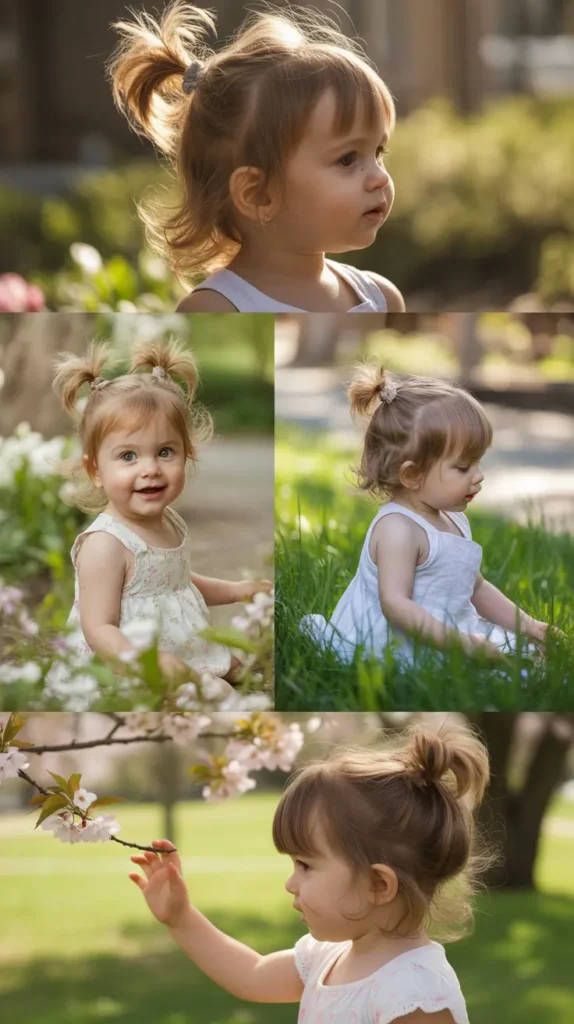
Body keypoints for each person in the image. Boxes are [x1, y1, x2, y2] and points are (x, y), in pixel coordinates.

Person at [129, 723, 490, 1023]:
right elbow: (252, 975)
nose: (290, 884)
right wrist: (181, 918)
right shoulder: (327, 957)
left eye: (305, 865)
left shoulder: (414, 995)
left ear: (378, 885)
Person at [108, 2, 405, 314]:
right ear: (258, 193)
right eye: (347, 159)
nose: (380, 177)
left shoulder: (383, 299)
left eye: (378, 152)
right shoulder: (215, 309)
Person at [50, 336, 271, 702]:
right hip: (124, 662)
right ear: (96, 471)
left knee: (241, 667)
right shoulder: (105, 545)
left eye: (165, 452)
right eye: (128, 456)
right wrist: (148, 664)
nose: (150, 469)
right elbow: (99, 628)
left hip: (177, 647)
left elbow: (177, 582)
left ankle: (204, 667)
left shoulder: (168, 520)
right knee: (218, 693)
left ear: (187, 453)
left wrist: (236, 590)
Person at [302, 365, 550, 664]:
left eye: (478, 463)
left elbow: (476, 586)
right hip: (396, 642)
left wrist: (530, 626)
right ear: (412, 475)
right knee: (500, 670)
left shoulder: (453, 519)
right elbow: (396, 605)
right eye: (463, 467)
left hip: (446, 630)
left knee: (527, 658)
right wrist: (462, 645)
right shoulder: (398, 529)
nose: (479, 476)